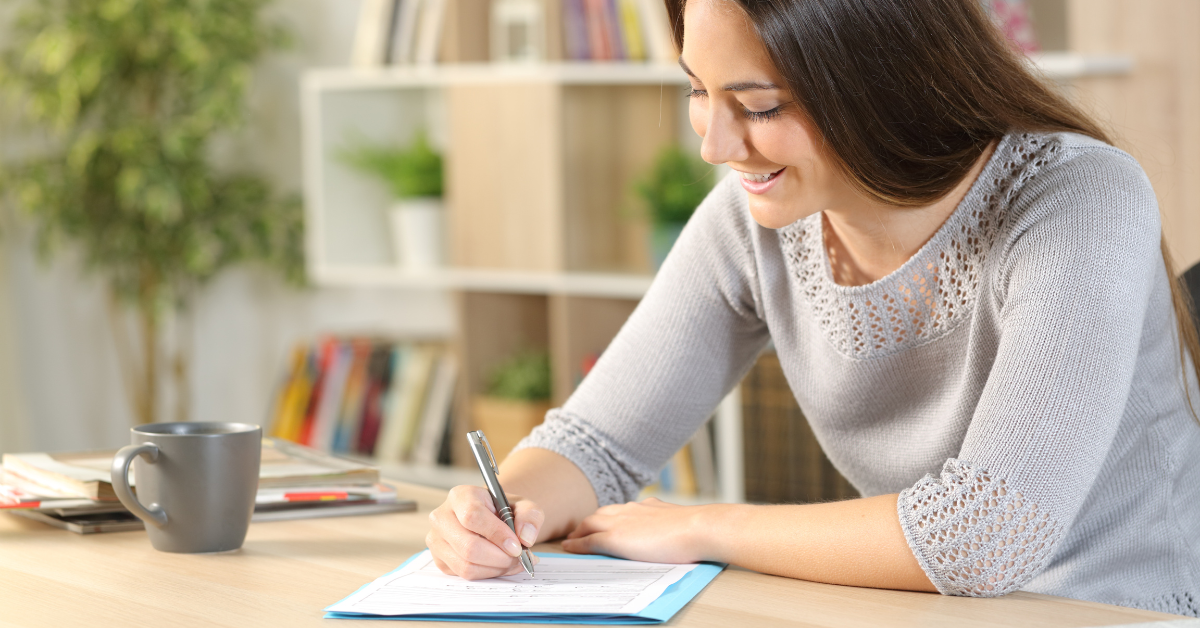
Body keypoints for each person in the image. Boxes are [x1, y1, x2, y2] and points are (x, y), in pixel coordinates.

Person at [426, 0, 1200, 615]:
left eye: (758, 106)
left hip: (1117, 610)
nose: (716, 145)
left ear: (879, 84)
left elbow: (988, 533)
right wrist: (504, 515)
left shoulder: (1077, 197)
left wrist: (701, 525)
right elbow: (595, 443)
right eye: (700, 92)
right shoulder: (754, 220)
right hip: (926, 610)